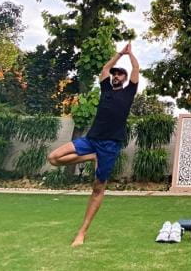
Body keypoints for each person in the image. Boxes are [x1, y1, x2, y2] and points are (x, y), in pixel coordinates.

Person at [48, 42, 139, 247]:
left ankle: (82, 232)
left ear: (125, 79)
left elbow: (136, 69)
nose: (116, 76)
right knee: (53, 158)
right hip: (91, 140)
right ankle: (92, 157)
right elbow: (105, 69)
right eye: (115, 74)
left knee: (98, 189)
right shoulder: (105, 89)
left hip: (110, 145)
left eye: (120, 74)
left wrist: (130, 54)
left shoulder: (129, 93)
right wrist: (118, 54)